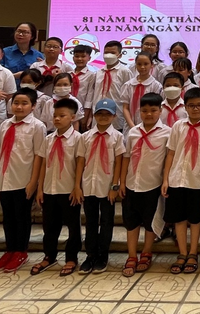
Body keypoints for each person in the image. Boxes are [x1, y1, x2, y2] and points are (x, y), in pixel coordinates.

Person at [163, 88, 200, 275]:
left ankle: (193, 253)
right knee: (179, 218)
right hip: (176, 179)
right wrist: (165, 179)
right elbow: (171, 153)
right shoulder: (178, 126)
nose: (195, 109)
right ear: (185, 107)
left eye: (199, 105)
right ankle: (182, 253)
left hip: (197, 180)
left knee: (195, 218)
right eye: (191, 105)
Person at [0, 87, 45, 273]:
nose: (19, 107)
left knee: (22, 217)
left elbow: (38, 155)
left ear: (33, 106)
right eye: (16, 103)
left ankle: (21, 251)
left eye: (24, 103)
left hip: (23, 179)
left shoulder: (37, 126)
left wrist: (33, 182)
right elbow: (1, 154)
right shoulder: (5, 125)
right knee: (8, 217)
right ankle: (10, 250)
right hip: (5, 178)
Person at [120, 93, 171, 277]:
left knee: (150, 221)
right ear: (139, 111)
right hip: (132, 183)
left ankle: (147, 252)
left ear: (161, 111)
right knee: (131, 221)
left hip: (152, 184)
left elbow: (168, 159)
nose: (149, 114)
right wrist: (122, 181)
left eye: (153, 110)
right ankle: (132, 255)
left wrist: (165, 180)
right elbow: (126, 158)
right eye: (144, 111)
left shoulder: (167, 133)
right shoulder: (133, 132)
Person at [32, 99, 82, 277]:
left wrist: (77, 187)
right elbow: (43, 163)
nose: (57, 119)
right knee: (49, 226)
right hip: (49, 189)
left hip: (68, 189)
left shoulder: (78, 139)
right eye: (55, 116)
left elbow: (80, 164)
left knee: (73, 226)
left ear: (73, 117)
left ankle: (71, 257)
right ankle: (49, 255)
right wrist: (40, 188)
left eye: (62, 116)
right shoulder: (48, 139)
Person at [75, 98, 125, 275]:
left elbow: (118, 163)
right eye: (100, 114)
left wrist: (114, 186)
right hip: (89, 185)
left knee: (106, 222)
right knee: (90, 222)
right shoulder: (86, 136)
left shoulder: (117, 137)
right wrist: (77, 186)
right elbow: (81, 161)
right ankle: (90, 255)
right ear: (94, 115)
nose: (103, 117)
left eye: (107, 114)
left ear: (114, 116)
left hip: (106, 186)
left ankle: (103, 256)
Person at [93, 40, 132, 132]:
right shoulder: (98, 72)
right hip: (98, 115)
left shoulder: (125, 72)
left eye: (112, 53)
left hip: (117, 116)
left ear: (120, 55)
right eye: (106, 53)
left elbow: (129, 95)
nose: (109, 55)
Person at [121, 52, 163, 129]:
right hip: (130, 126)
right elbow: (125, 108)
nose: (142, 67)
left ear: (151, 65)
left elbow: (156, 108)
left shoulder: (156, 86)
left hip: (150, 126)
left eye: (146, 64)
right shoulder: (128, 85)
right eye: (139, 64)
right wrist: (132, 126)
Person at [17, 68, 56, 132]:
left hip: (38, 130)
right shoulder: (16, 97)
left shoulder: (43, 99)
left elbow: (46, 119)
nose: (26, 84)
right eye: (23, 82)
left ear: (38, 83)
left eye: (29, 82)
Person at [70, 44, 96, 130]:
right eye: (77, 56)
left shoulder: (91, 75)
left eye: (83, 56)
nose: (79, 59)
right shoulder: (69, 74)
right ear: (73, 58)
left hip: (82, 111)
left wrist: (85, 115)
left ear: (89, 58)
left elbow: (89, 96)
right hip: (68, 108)